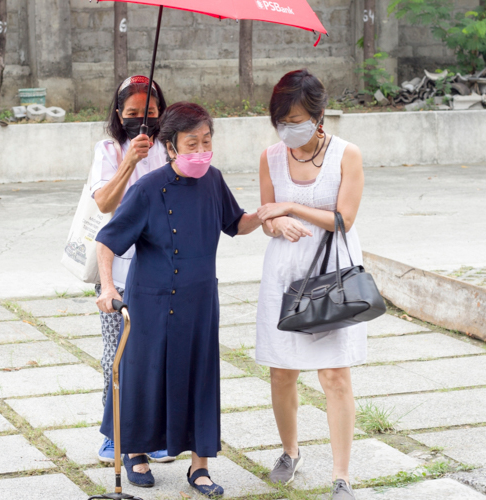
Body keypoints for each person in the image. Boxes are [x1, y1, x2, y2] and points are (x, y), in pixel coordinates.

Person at [95, 102, 261, 497]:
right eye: (192, 143)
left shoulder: (214, 181)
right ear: (170, 147)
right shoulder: (148, 188)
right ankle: (135, 453)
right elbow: (108, 240)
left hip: (199, 298)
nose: (201, 150)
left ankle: (199, 467)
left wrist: (268, 213)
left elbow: (236, 224)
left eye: (206, 142)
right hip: (150, 298)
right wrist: (107, 287)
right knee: (144, 373)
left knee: (199, 376)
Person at [255, 69, 366, 500]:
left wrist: (290, 206)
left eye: (297, 119)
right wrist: (277, 218)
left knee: (335, 374)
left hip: (333, 272)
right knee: (282, 371)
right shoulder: (271, 156)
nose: (289, 129)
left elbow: (344, 219)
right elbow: (267, 217)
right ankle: (290, 452)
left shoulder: (347, 154)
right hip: (285, 271)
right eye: (281, 120)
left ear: (319, 117)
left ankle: (342, 476)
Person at [89, 75, 174, 465]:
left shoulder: (172, 147)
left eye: (151, 113)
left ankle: (153, 433)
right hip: (119, 272)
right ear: (119, 115)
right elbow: (105, 204)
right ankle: (115, 433)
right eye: (133, 114)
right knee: (119, 355)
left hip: (162, 272)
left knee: (159, 353)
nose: (143, 121)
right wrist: (129, 161)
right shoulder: (109, 149)